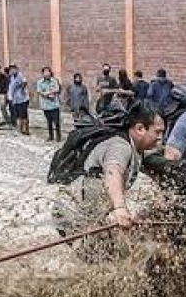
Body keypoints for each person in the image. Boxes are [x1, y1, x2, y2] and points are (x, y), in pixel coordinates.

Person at [52, 103, 164, 260]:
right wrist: (120, 208)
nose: (160, 137)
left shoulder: (138, 150)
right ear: (140, 129)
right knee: (102, 258)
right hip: (71, 213)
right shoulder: (120, 146)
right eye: (158, 132)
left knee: (118, 253)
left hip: (91, 212)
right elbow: (113, 172)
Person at [36, 66, 62, 141]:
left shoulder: (54, 81)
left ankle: (58, 136)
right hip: (45, 105)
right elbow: (39, 91)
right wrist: (46, 94)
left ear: (50, 73)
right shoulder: (40, 82)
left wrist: (48, 93)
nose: (47, 74)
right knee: (49, 122)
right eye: (45, 72)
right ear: (43, 73)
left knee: (56, 122)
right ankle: (51, 136)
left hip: (54, 105)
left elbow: (57, 89)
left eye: (48, 72)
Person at [8, 64, 30, 134]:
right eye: (11, 70)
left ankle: (26, 129)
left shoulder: (20, 75)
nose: (12, 71)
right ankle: (21, 128)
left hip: (23, 99)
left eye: (13, 69)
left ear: (16, 69)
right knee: (18, 114)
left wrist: (22, 89)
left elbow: (24, 82)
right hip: (16, 99)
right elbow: (11, 87)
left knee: (24, 114)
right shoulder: (12, 77)